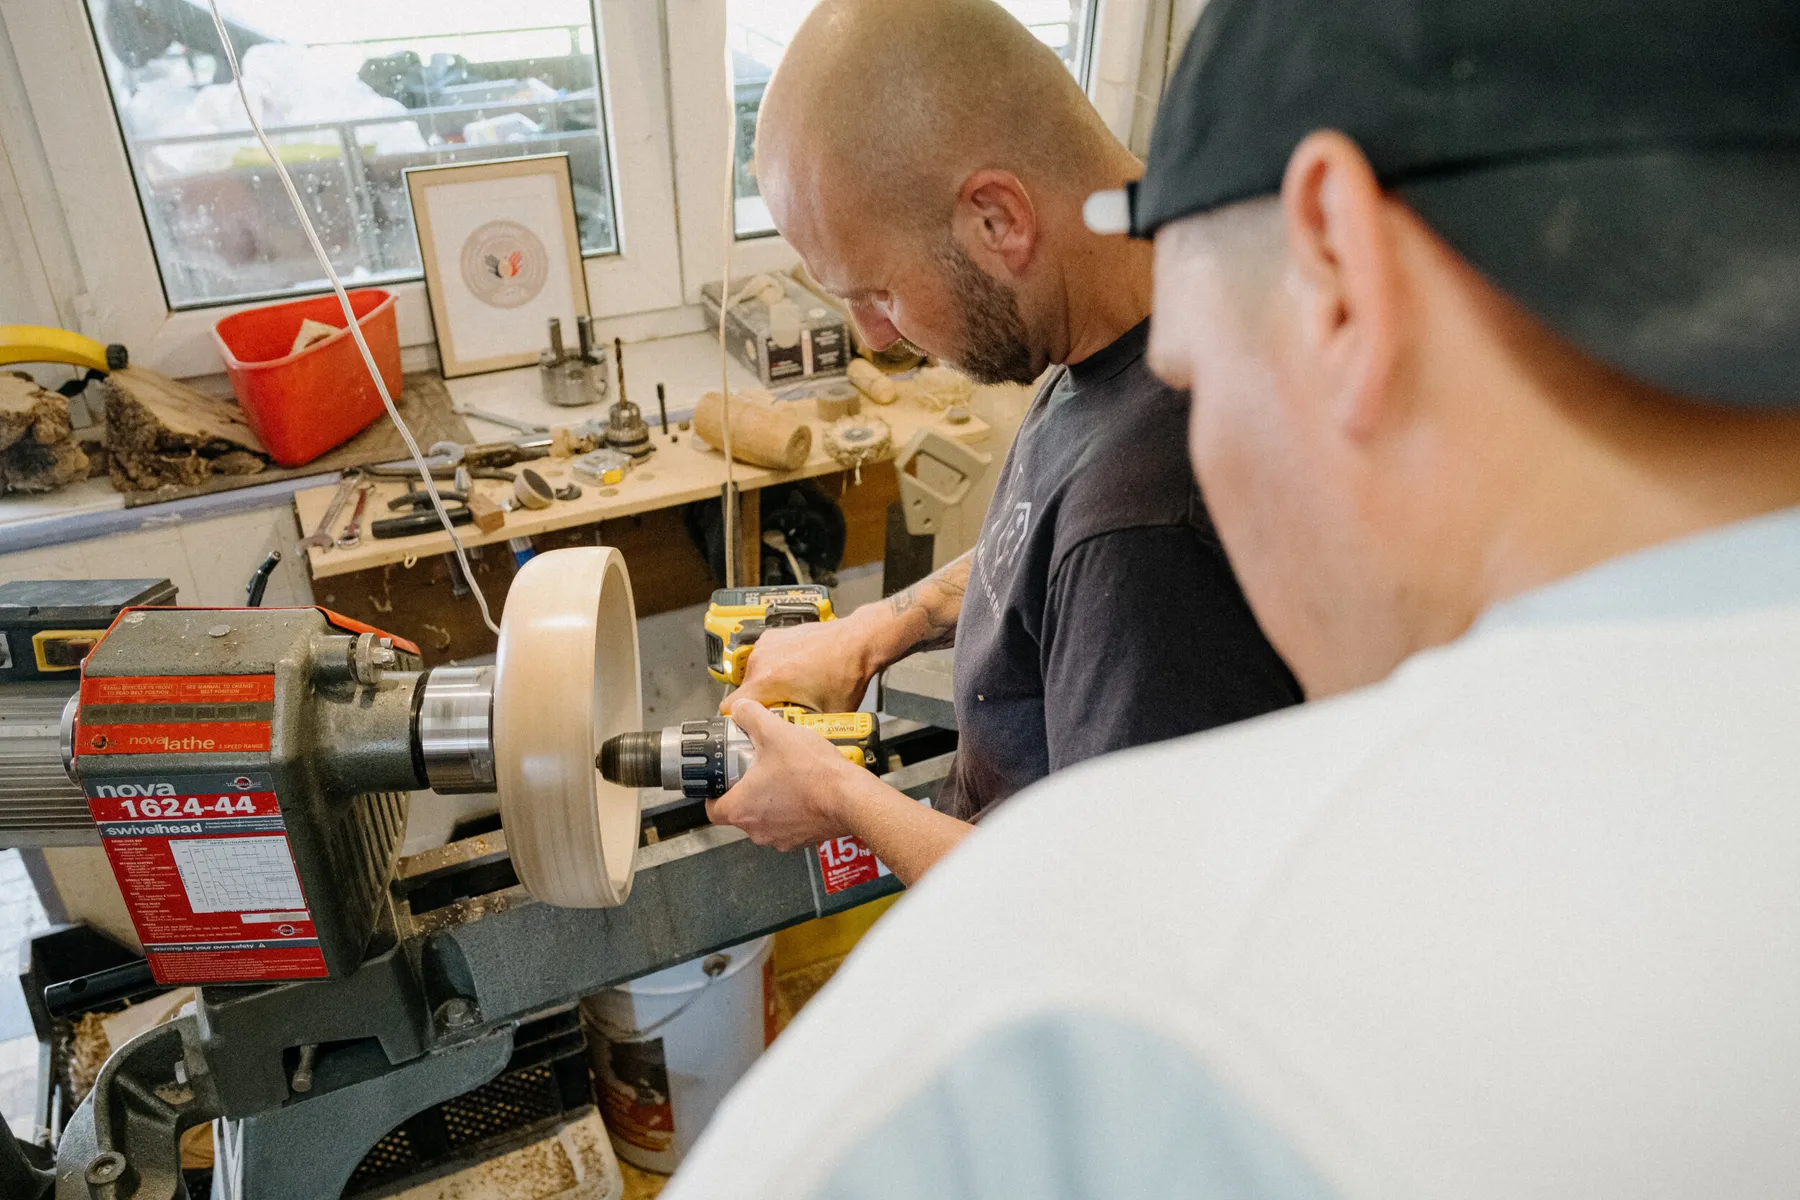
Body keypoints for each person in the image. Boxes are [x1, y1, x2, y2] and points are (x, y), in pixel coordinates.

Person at [666, 0, 1800, 1194]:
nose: (1198, 447)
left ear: (1343, 277)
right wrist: (885, 623)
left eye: (1203, 370)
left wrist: (845, 799)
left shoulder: (1119, 1026)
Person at [704, 0, 1300, 883]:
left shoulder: (1147, 530)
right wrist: (874, 632)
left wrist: (839, 798)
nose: (872, 336)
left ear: (998, 220)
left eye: (879, 291)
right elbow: (1042, 546)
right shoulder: (1135, 307)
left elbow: (1099, 914)